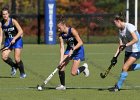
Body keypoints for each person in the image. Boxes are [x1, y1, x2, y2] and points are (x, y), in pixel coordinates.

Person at [56, 17, 89, 90]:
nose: (58, 30)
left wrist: (73, 49)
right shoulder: (60, 35)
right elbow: (61, 47)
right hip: (69, 49)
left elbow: (80, 42)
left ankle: (83, 68)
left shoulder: (72, 30)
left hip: (78, 50)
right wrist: (61, 60)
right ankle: (62, 86)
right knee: (61, 67)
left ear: (64, 25)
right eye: (57, 28)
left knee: (73, 73)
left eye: (59, 28)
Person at [109, 13, 140, 92]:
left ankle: (117, 87)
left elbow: (136, 39)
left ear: (118, 21)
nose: (115, 25)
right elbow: (120, 45)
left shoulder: (130, 27)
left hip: (136, 49)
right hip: (128, 50)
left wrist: (126, 45)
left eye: (115, 23)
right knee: (127, 68)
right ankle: (118, 86)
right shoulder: (120, 31)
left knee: (124, 67)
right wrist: (115, 57)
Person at [0, 7, 26, 78]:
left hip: (17, 40)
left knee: (17, 59)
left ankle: (22, 73)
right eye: (3, 14)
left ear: (8, 14)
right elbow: (1, 35)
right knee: (4, 57)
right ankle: (14, 66)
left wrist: (14, 38)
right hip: (8, 41)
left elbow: (21, 31)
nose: (5, 15)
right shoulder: (1, 23)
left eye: (6, 14)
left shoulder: (13, 21)